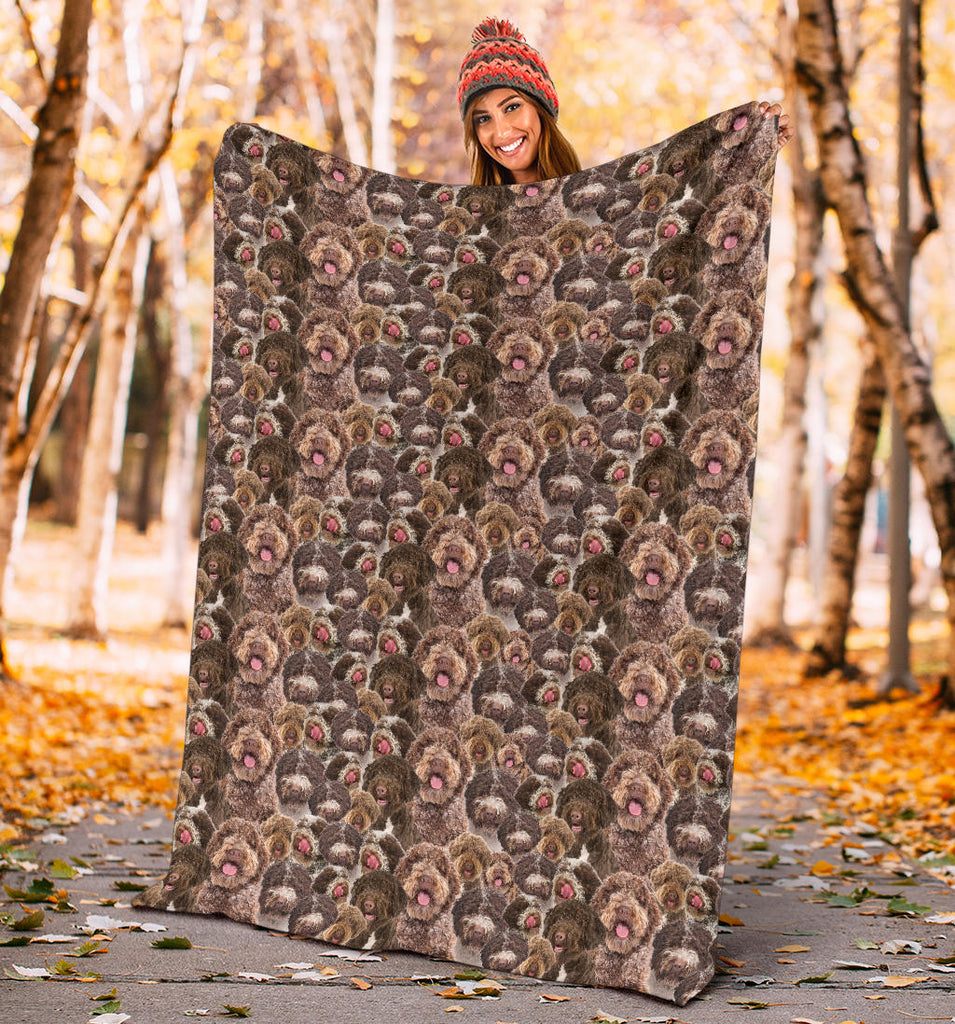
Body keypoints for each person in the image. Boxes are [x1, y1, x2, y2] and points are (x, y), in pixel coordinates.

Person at [456, 16, 793, 186]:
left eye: (512, 107)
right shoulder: (462, 233)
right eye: (482, 118)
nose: (501, 131)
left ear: (540, 109)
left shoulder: (601, 203)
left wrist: (749, 153)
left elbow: (684, 214)